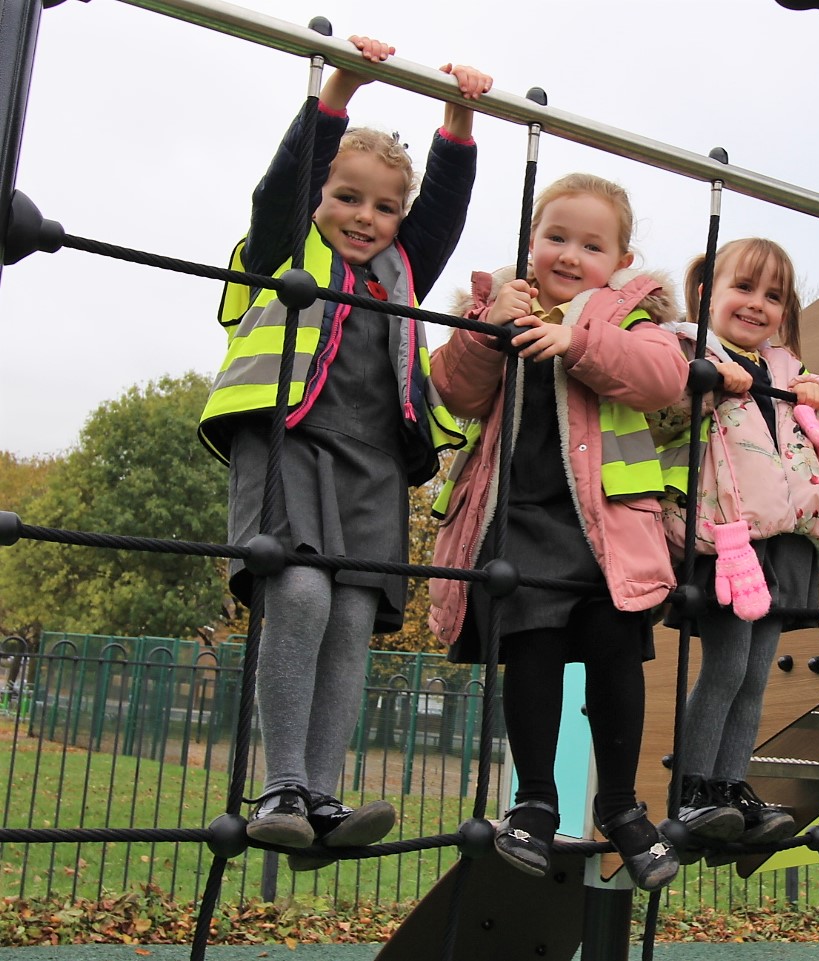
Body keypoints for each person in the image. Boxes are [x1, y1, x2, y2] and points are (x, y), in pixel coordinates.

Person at [197, 35, 491, 870]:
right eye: (346, 197)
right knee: (297, 592)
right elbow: (282, 185)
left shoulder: (401, 267)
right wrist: (338, 94)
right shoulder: (284, 249)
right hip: (289, 440)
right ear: (320, 195)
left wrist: (459, 118)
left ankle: (321, 799)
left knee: (354, 617)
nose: (364, 217)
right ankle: (281, 785)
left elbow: (441, 212)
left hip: (372, 461)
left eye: (382, 206)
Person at [427, 173, 688, 891]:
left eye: (591, 244)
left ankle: (621, 805)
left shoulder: (632, 318)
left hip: (606, 528)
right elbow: (454, 388)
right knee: (531, 648)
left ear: (621, 258)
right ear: (531, 243)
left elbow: (663, 378)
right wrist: (490, 328)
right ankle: (535, 799)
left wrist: (577, 338)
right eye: (556, 238)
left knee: (615, 655)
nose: (570, 254)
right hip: (520, 518)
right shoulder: (498, 305)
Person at [648, 238, 819, 863]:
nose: (758, 305)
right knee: (727, 666)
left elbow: (800, 449)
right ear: (707, 292)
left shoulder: (787, 370)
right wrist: (707, 385)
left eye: (774, 296)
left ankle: (731, 784)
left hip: (784, 539)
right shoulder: (689, 351)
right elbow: (660, 422)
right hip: (726, 537)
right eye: (744, 288)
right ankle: (691, 789)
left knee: (757, 677)